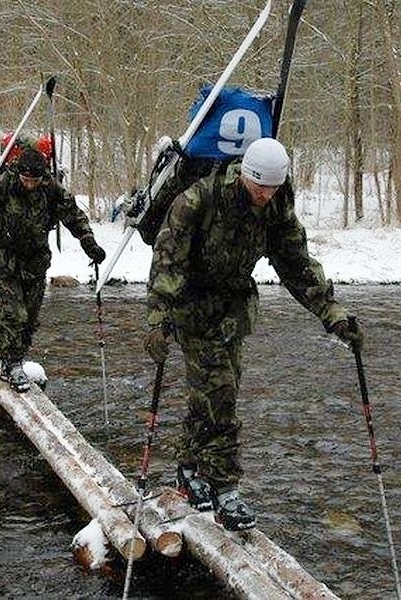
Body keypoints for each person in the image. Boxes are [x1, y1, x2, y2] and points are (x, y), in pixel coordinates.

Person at [144, 137, 363, 531]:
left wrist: (332, 312)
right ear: (244, 175)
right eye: (259, 188)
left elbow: (296, 264)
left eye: (272, 189)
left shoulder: (277, 208)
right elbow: (166, 261)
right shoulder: (198, 201)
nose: (264, 196)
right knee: (221, 394)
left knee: (212, 396)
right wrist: (158, 319)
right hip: (192, 306)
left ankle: (189, 468)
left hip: (233, 310)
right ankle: (225, 489)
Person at [0, 140, 107, 392]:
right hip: (5, 258)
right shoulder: (4, 184)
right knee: (15, 313)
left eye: (34, 180)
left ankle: (10, 353)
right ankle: (12, 365)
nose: (30, 184)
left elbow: (73, 215)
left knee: (30, 318)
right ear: (18, 173)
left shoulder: (51, 189)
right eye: (26, 179)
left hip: (35, 260)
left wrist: (88, 242)